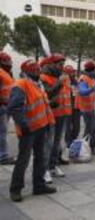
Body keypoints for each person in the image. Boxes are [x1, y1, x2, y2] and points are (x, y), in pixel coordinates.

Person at [8, 60, 57, 202]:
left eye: (38, 69)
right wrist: (24, 126)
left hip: (40, 127)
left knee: (40, 158)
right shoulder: (21, 85)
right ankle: (15, 189)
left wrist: (48, 121)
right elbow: (15, 108)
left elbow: (42, 105)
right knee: (23, 159)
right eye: (35, 70)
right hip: (28, 130)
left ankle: (39, 185)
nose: (38, 72)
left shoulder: (37, 84)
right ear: (27, 71)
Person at [40, 54, 72, 179]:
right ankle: (45, 169)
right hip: (50, 114)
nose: (62, 67)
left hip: (62, 113)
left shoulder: (62, 77)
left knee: (57, 142)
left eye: (63, 65)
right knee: (48, 142)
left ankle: (53, 166)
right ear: (52, 64)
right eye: (60, 65)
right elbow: (47, 93)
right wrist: (59, 83)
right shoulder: (43, 77)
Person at [76, 61, 95, 155]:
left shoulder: (91, 78)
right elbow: (82, 91)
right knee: (90, 128)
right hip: (85, 108)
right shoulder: (83, 79)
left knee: (93, 128)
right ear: (91, 70)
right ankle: (85, 148)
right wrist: (93, 89)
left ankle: (91, 147)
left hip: (91, 107)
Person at [0, 52, 15, 165]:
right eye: (8, 60)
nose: (10, 62)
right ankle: (3, 155)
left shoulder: (7, 73)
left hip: (6, 106)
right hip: (2, 106)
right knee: (2, 132)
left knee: (3, 132)